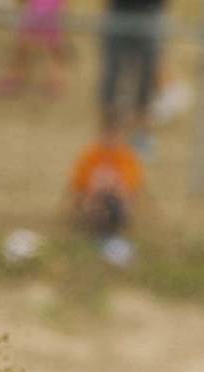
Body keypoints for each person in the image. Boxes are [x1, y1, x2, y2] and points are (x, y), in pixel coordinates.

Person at [69, 121, 144, 263]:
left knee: (112, 201)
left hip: (117, 202)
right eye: (107, 135)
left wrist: (113, 188)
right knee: (98, 200)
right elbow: (78, 187)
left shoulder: (126, 157)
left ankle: (110, 232)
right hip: (94, 200)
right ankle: (99, 231)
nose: (110, 140)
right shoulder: (91, 155)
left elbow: (130, 189)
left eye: (114, 136)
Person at [100, 0, 167, 151]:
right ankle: (108, 138)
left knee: (146, 77)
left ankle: (141, 134)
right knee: (112, 76)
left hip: (149, 11)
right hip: (118, 10)